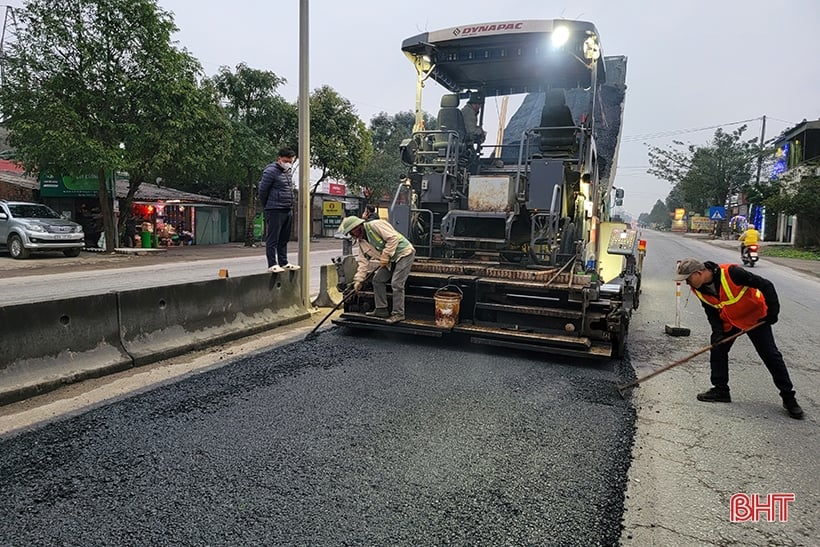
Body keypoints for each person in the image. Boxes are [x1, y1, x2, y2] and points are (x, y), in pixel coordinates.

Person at [674, 257, 804, 419]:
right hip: (731, 320)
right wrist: (718, 332)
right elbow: (711, 311)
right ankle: (721, 390)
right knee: (718, 348)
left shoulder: (732, 273)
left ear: (698, 273)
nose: (687, 283)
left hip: (754, 318)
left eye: (688, 279)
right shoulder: (698, 288)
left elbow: (766, 285)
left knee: (771, 356)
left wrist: (772, 312)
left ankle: (788, 397)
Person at [337, 215, 416, 324]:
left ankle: (398, 313)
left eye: (352, 232)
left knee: (397, 283)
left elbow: (393, 238)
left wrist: (386, 254)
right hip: (390, 260)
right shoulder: (362, 243)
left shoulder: (375, 225)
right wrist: (359, 280)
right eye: (350, 234)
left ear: (358, 226)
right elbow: (363, 262)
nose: (353, 235)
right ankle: (381, 309)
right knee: (377, 280)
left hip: (404, 254)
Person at [258, 148, 300, 273]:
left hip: (287, 208)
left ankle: (284, 262)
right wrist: (267, 205)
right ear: (279, 159)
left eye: (291, 161)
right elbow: (262, 190)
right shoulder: (270, 171)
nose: (288, 163)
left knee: (284, 238)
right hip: (275, 209)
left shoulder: (287, 172)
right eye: (286, 160)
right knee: (273, 238)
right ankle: (272, 263)